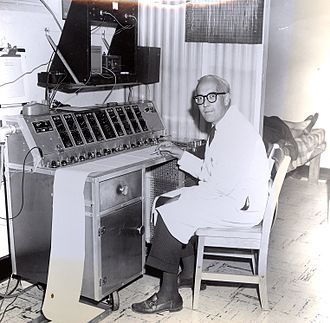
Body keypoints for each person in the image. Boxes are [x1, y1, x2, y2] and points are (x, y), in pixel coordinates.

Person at [131, 75, 270, 314]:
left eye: (211, 97)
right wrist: (179, 154)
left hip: (240, 206)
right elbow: (213, 171)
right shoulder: (225, 126)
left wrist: (189, 197)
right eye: (200, 98)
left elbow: (219, 185)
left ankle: (168, 296)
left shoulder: (235, 132)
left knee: (170, 211)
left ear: (227, 98)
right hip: (233, 195)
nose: (205, 103)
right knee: (166, 201)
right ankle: (188, 273)